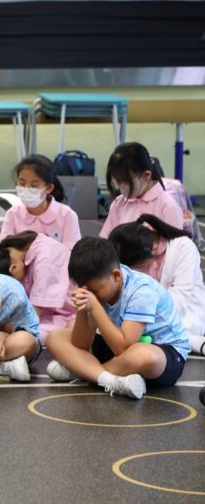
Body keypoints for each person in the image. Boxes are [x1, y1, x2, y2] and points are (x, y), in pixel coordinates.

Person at [45, 238, 190, 400]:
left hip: (163, 354)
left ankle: (84, 372)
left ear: (116, 276)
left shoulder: (142, 291)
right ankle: (109, 380)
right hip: (118, 352)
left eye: (95, 290)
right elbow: (81, 345)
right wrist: (82, 310)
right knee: (55, 336)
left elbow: (123, 348)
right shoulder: (101, 285)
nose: (91, 294)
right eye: (85, 289)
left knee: (145, 355)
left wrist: (95, 307)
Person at [108, 214, 205, 356]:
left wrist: (140, 312)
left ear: (153, 249)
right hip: (148, 312)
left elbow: (180, 301)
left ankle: (191, 341)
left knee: (152, 332)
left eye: (138, 267)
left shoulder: (183, 247)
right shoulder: (141, 252)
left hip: (184, 313)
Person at [0, 231, 75, 342]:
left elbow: (33, 315)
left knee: (18, 338)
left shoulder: (45, 259)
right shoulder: (20, 254)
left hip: (68, 316)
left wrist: (2, 328)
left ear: (13, 268)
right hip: (47, 314)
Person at [99, 142, 183, 239]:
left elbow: (175, 246)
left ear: (146, 175)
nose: (119, 186)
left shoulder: (167, 207)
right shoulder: (118, 204)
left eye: (124, 181)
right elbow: (106, 240)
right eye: (117, 181)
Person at [0, 155, 80, 248]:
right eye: (22, 183)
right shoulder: (12, 214)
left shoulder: (67, 216)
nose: (26, 189)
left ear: (49, 188)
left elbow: (71, 252)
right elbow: (3, 250)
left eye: (34, 185)